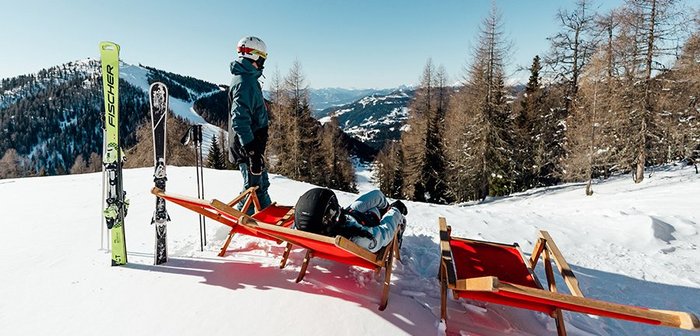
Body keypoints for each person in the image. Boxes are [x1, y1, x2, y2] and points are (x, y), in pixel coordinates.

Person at [228, 36, 271, 212]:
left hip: (252, 143)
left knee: (260, 185)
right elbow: (239, 119)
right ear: (255, 57)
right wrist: (252, 150)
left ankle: (269, 225)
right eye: (262, 58)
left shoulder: (247, 78)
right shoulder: (245, 82)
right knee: (253, 189)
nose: (262, 63)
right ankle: (241, 222)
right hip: (247, 146)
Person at [294, 188, 408, 253]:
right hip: (368, 222)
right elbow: (384, 233)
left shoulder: (306, 227)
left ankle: (385, 208)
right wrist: (396, 210)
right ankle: (394, 224)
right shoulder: (359, 238)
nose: (337, 207)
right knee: (378, 203)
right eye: (333, 209)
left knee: (377, 195)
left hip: (347, 219)